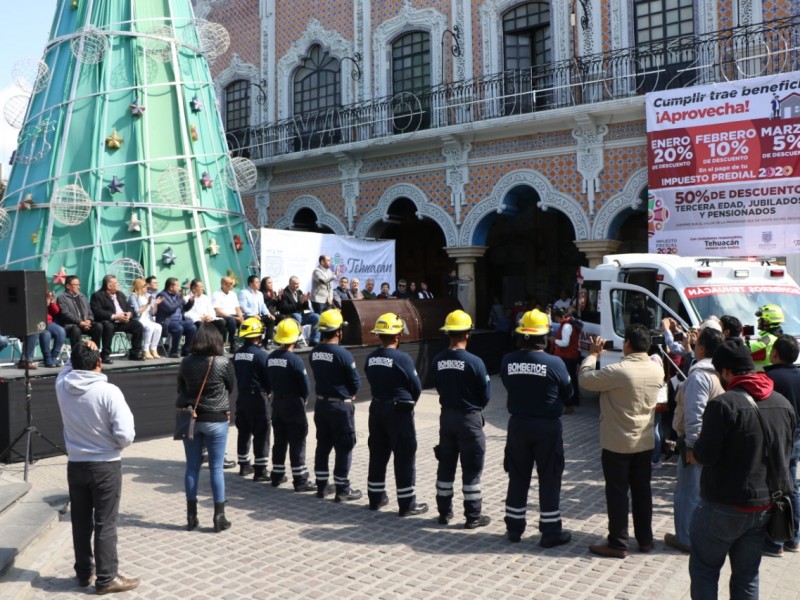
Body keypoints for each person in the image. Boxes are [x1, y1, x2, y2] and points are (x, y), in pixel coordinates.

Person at [689, 339, 795, 598]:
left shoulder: (724, 404)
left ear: (726, 372)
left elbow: (705, 455)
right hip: (764, 507)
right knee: (747, 577)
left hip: (722, 506)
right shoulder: (782, 403)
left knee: (705, 571)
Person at [55, 340, 139, 594]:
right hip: (105, 465)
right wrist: (113, 446)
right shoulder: (109, 391)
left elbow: (67, 368)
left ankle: (83, 572)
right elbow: (125, 435)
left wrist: (79, 347)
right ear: (99, 363)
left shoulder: (62, 385)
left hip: (76, 464)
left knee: (80, 522)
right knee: (105, 523)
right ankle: (106, 577)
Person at [579, 324, 664, 558]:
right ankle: (645, 539)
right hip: (645, 441)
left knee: (617, 493)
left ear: (627, 344)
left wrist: (593, 355)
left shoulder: (619, 370)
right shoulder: (658, 369)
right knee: (642, 492)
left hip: (617, 442)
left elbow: (586, 379)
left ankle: (618, 543)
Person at [501, 309, 573, 547]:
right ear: (545, 336)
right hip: (547, 427)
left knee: (518, 476)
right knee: (549, 477)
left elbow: (507, 384)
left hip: (518, 425)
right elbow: (569, 393)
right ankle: (551, 532)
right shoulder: (555, 362)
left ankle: (514, 528)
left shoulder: (508, 360)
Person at [664, 328, 725, 554]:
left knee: (688, 494)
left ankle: (686, 539)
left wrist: (692, 447)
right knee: (700, 493)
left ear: (701, 348)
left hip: (697, 444)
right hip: (711, 442)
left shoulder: (700, 375)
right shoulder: (718, 372)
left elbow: (694, 415)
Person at [432, 310, 492, 529]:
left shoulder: (437, 360)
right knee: (472, 468)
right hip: (470, 419)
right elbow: (486, 395)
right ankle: (473, 516)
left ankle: (444, 512)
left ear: (448, 333)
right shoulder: (475, 362)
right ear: (468, 334)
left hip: (446, 417)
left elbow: (438, 386)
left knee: (446, 466)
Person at [364, 312, 427, 516]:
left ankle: (375, 498)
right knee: (404, 456)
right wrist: (410, 403)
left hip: (377, 409)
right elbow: (416, 386)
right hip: (398, 411)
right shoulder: (402, 358)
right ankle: (407, 504)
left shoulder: (371, 357)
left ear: (379, 335)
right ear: (398, 336)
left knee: (378, 454)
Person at [177, 324, 235, 533]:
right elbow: (230, 386)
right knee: (216, 468)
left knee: (191, 467)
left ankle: (191, 517)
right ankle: (219, 516)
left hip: (192, 418)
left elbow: (180, 388)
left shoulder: (187, 361)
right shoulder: (222, 362)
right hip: (217, 418)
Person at [309, 309, 362, 502]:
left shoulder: (314, 352)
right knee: (344, 446)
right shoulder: (343, 354)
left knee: (323, 445)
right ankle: (342, 489)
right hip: (340, 407)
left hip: (322, 405)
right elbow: (355, 382)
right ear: (338, 331)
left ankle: (322, 486)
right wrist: (350, 393)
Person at [267, 318, 316, 492]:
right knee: (297, 441)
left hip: (277, 403)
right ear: (295, 338)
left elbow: (268, 381)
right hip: (294, 404)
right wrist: (304, 397)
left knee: (279, 441)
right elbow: (305, 384)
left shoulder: (271, 357)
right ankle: (300, 480)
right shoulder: (295, 360)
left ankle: (277, 475)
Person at [763, 334, 800, 556]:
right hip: (796, 438)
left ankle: (775, 541)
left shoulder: (769, 377)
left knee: (776, 488)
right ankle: (793, 538)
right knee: (792, 487)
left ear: (774, 353)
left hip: (777, 439)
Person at [232, 318, 272, 481]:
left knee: (244, 430)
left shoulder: (238, 354)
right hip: (258, 398)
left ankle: (243, 465)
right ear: (258, 336)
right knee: (262, 432)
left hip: (242, 396)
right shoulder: (261, 355)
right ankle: (261, 470)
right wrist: (269, 391)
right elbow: (268, 377)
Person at [89, 275, 145, 363]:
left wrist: (129, 313)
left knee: (137, 325)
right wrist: (115, 316)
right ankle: (105, 355)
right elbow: (97, 311)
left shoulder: (120, 294)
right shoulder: (97, 295)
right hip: (109, 321)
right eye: (116, 283)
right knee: (108, 326)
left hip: (122, 321)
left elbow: (128, 307)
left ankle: (135, 352)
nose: (118, 284)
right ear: (109, 286)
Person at [57, 275, 103, 351]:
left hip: (85, 324)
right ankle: (77, 354)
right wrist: (80, 322)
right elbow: (65, 314)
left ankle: (94, 352)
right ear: (68, 286)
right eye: (76, 285)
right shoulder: (62, 298)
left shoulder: (82, 297)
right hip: (71, 326)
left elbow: (90, 312)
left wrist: (89, 320)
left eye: (79, 285)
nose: (78, 287)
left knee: (98, 326)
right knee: (75, 330)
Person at [156, 277, 196, 358]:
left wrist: (191, 302)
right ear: (171, 287)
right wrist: (181, 300)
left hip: (179, 321)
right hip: (167, 322)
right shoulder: (161, 295)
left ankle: (186, 350)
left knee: (192, 327)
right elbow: (169, 308)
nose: (179, 287)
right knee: (178, 328)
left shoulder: (177, 296)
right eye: (177, 286)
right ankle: (173, 352)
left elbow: (185, 308)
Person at [552, 308, 582, 414]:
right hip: (572, 356)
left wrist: (554, 340)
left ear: (559, 317)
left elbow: (565, 343)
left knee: (566, 380)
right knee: (572, 379)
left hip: (567, 356)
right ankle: (574, 400)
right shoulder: (570, 324)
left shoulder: (566, 326)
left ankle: (569, 403)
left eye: (555, 317)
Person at [278, 276, 320, 345]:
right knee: (297, 316)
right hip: (290, 316)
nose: (298, 286)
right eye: (295, 284)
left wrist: (305, 301)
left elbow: (305, 307)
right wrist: (299, 303)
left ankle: (314, 340)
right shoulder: (284, 293)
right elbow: (284, 308)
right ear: (290, 283)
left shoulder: (299, 291)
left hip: (301, 315)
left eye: (298, 284)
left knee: (316, 316)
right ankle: (294, 340)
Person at [128, 278, 163, 359]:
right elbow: (137, 312)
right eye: (144, 286)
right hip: (139, 320)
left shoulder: (147, 296)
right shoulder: (133, 296)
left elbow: (153, 312)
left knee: (158, 327)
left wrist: (156, 304)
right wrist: (147, 304)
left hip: (148, 319)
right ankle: (145, 349)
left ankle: (153, 349)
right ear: (139, 287)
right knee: (150, 327)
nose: (146, 288)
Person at [212, 277, 244, 353]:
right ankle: (232, 343)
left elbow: (237, 307)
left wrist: (240, 316)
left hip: (233, 316)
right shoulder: (216, 294)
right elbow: (218, 310)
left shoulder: (233, 294)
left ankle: (241, 342)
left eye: (232, 283)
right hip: (222, 316)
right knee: (232, 320)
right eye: (230, 283)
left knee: (247, 320)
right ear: (223, 284)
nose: (232, 285)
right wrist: (234, 317)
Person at [239, 275, 275, 343]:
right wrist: (253, 314)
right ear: (251, 284)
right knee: (254, 320)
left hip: (258, 315)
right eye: (257, 282)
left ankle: (267, 341)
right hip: (248, 315)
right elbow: (243, 307)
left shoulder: (259, 293)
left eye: (259, 282)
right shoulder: (244, 293)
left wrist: (268, 313)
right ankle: (253, 341)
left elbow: (262, 305)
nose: (259, 284)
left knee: (270, 319)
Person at [750, 304, 785, 371]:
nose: (758, 320)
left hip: (760, 378)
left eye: (761, 318)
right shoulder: (780, 337)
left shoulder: (767, 339)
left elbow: (746, 348)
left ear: (767, 321)